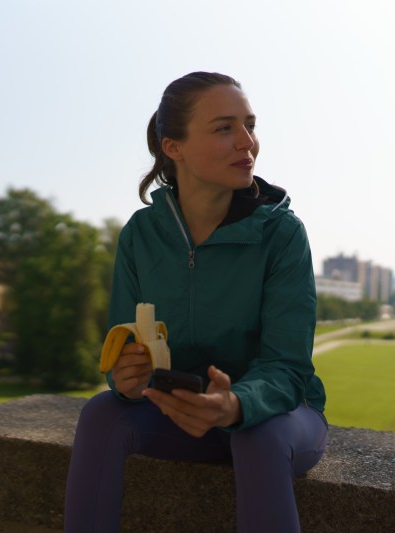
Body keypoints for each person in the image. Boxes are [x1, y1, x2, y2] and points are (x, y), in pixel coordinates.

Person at [64, 72, 328, 533]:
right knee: (103, 413)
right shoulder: (141, 236)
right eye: (224, 128)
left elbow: (287, 369)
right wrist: (125, 378)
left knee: (256, 436)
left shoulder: (282, 234)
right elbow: (121, 345)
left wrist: (235, 404)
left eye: (250, 124)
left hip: (275, 417)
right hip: (180, 415)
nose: (247, 141)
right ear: (174, 148)